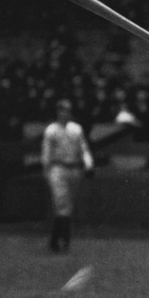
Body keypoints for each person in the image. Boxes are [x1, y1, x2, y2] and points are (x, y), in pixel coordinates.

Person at [41, 98, 94, 253]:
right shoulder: (51, 130)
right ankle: (62, 238)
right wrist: (46, 169)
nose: (65, 113)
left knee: (67, 204)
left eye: (68, 110)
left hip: (74, 168)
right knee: (61, 202)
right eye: (62, 110)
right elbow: (47, 152)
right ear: (58, 112)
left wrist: (89, 164)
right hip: (58, 167)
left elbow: (83, 148)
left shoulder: (76, 129)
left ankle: (59, 239)